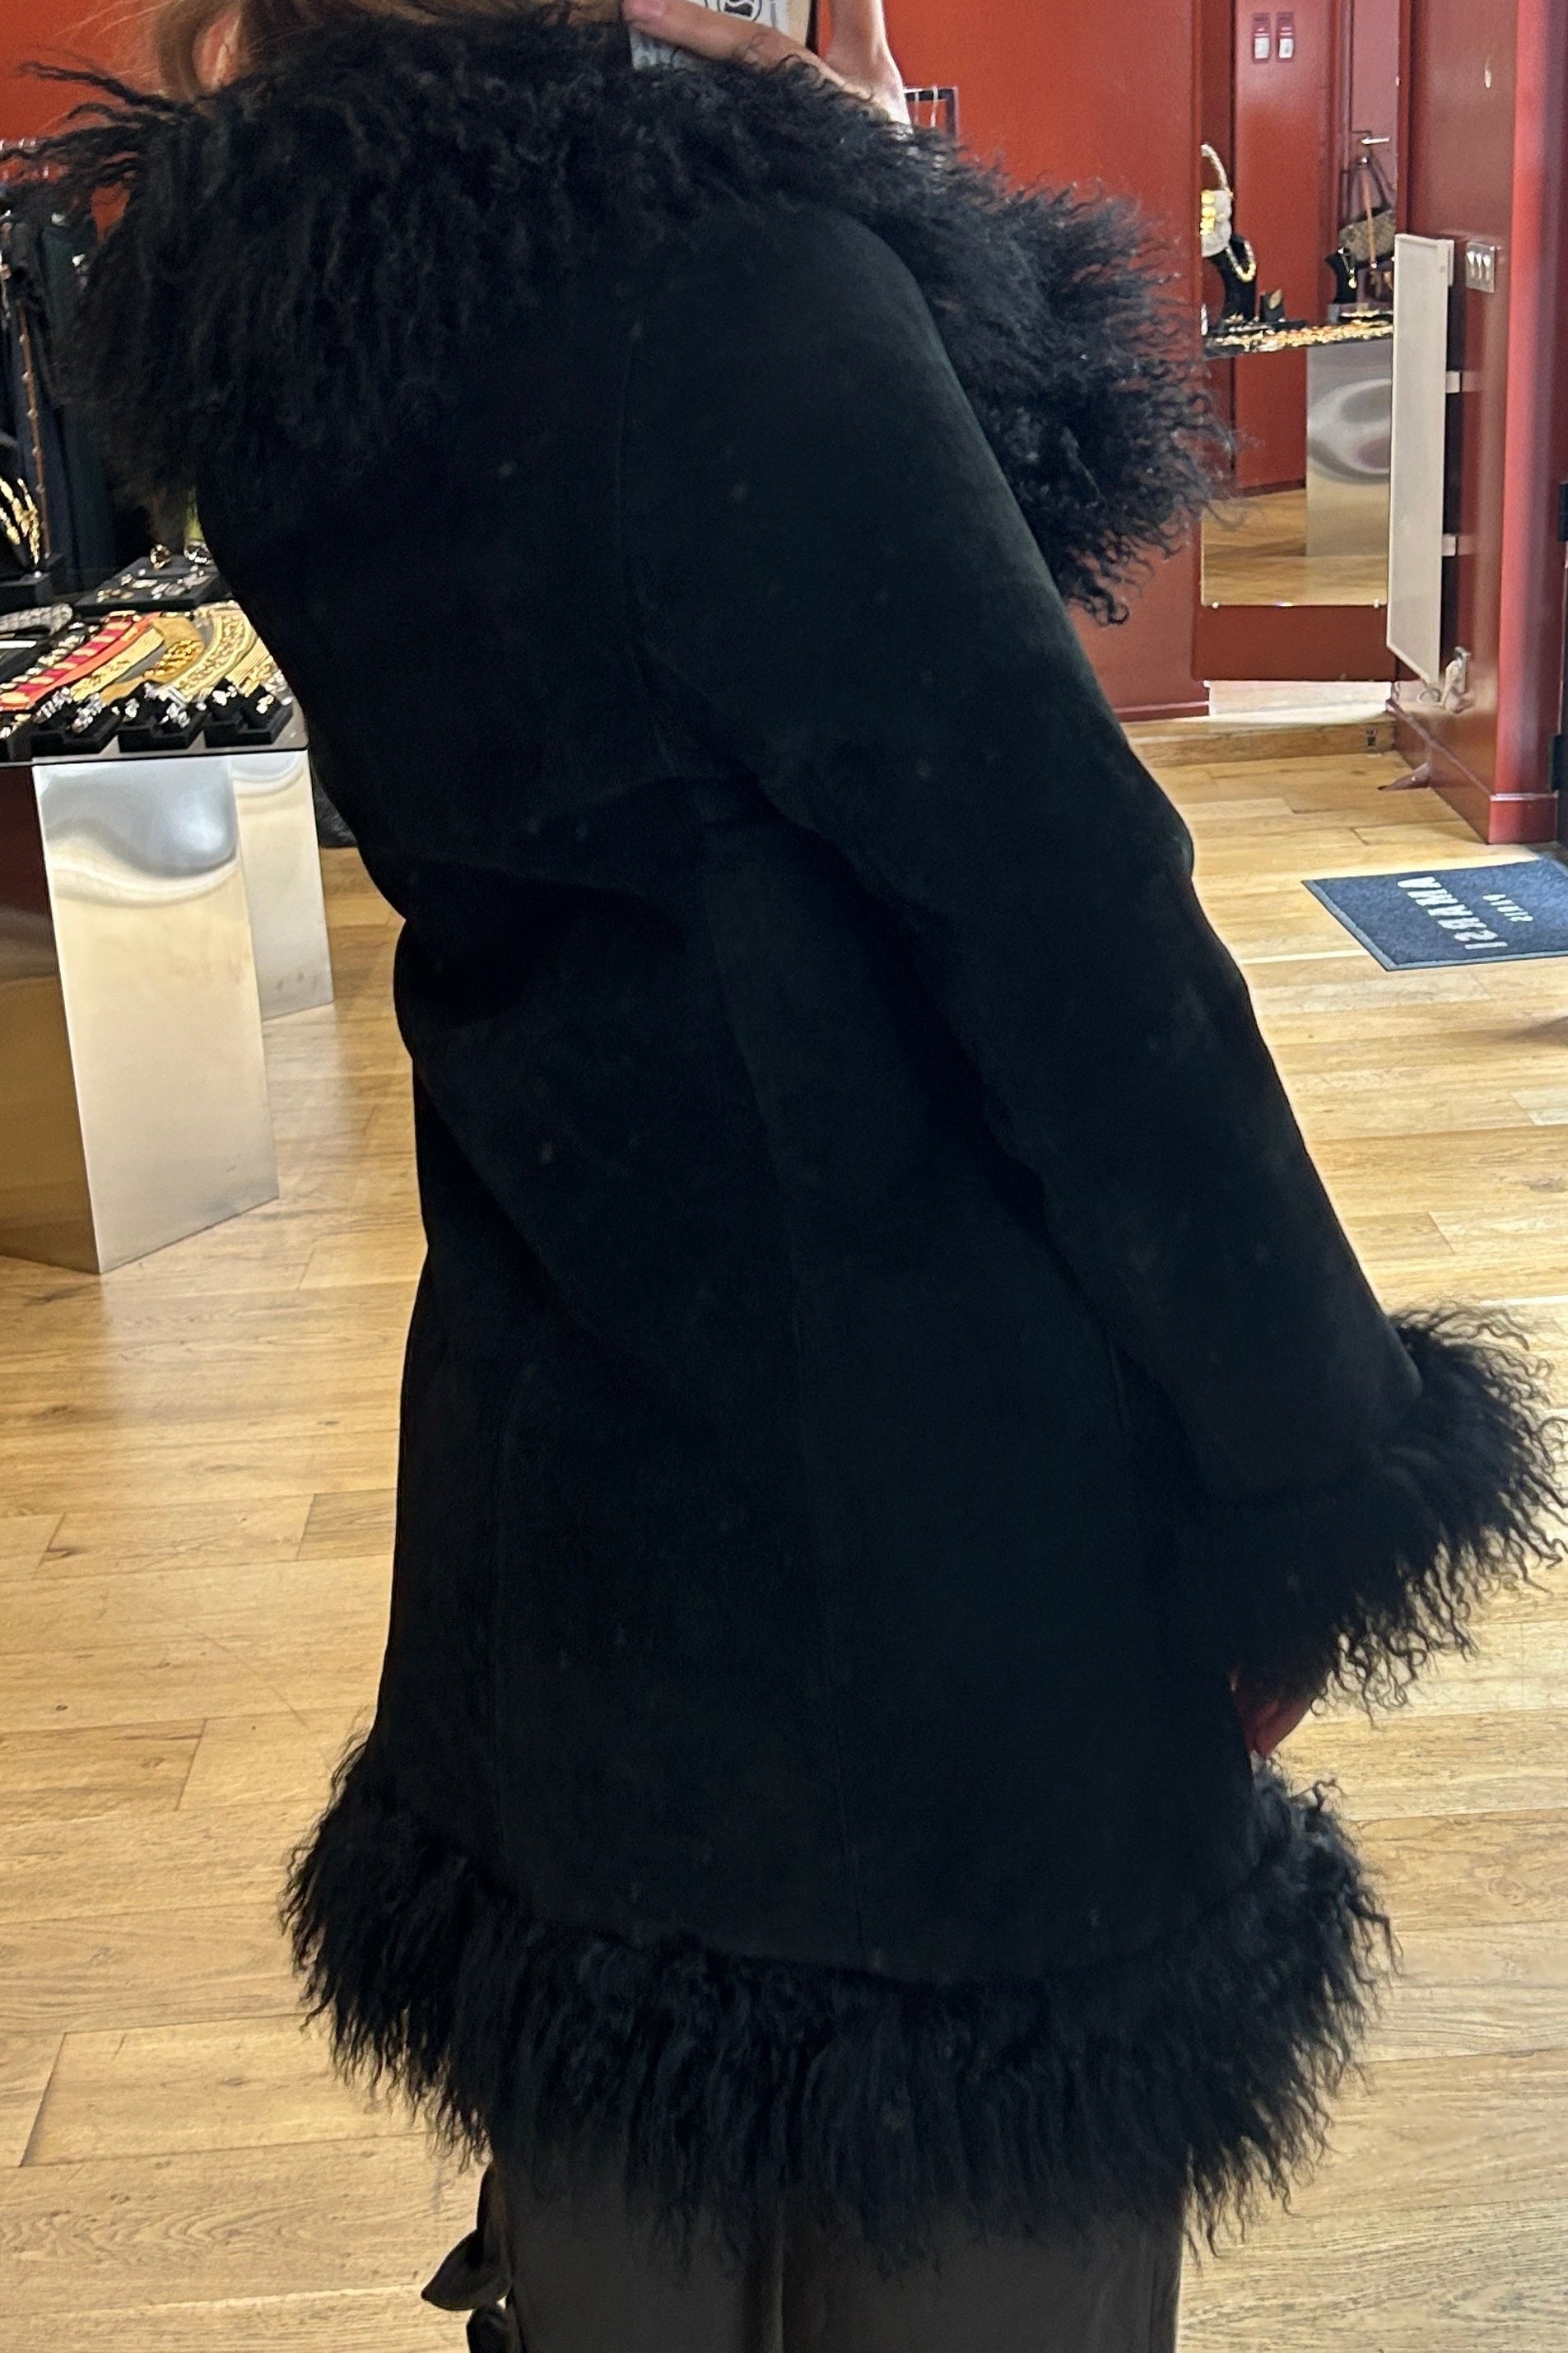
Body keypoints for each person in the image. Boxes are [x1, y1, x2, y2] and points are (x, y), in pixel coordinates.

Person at [40, 4, 1562, 2346]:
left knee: (625, 2224)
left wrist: (859, 215)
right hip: (951, 1542)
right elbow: (1078, 949)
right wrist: (1306, 1476)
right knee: (973, 2238)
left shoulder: (293, 316)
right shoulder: (731, 290)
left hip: (569, 1491)